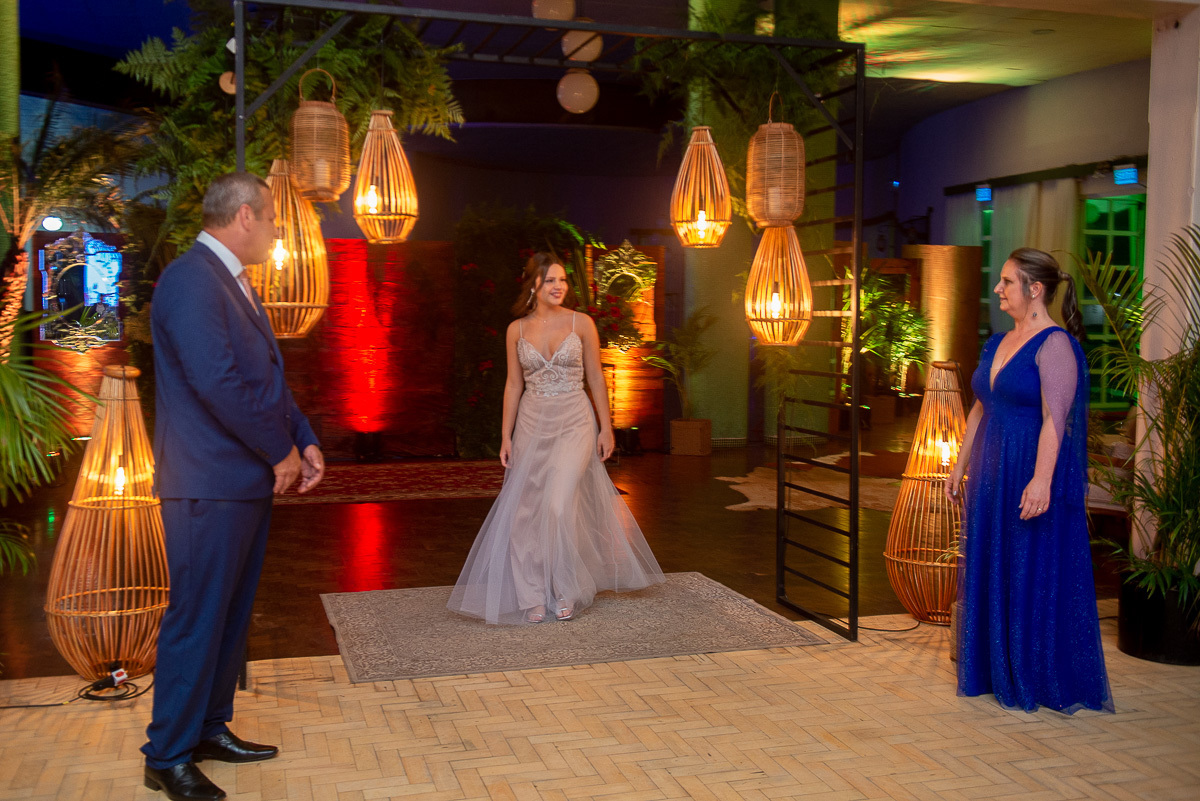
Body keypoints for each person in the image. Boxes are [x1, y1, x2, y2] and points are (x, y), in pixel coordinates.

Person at [142, 172, 326, 801]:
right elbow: (218, 382)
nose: (275, 231)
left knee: (229, 615)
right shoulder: (191, 279)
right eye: (271, 218)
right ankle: (166, 754)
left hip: (239, 481)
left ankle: (208, 729)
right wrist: (279, 451)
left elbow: (265, 379)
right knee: (198, 616)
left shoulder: (234, 282)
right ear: (244, 215)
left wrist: (303, 436)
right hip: (208, 481)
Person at [447, 252, 665, 624]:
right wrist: (505, 436)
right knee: (526, 511)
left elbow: (595, 377)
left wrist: (606, 426)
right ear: (533, 284)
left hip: (574, 422)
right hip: (531, 422)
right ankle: (532, 593)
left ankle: (566, 587)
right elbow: (513, 385)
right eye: (550, 280)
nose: (559, 286)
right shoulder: (516, 330)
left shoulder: (581, 323)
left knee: (558, 505)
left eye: (563, 280)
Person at [945, 247, 1113, 714]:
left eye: (1007, 281)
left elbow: (1055, 421)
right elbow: (980, 407)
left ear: (1035, 289)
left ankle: (1029, 672)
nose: (998, 288)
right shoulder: (997, 342)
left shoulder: (1055, 345)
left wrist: (1041, 481)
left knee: (1025, 567)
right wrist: (959, 465)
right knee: (993, 562)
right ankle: (992, 667)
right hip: (989, 471)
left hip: (1026, 471)